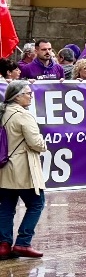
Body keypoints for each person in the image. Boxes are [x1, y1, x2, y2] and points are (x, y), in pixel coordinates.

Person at [0, 81, 47, 259]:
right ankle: (23, 243)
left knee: (6, 207)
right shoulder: (23, 115)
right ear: (17, 96)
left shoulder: (2, 112)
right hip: (23, 169)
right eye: (28, 93)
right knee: (36, 204)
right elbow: (36, 143)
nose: (31, 96)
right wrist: (44, 144)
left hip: (4, 169)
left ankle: (3, 245)